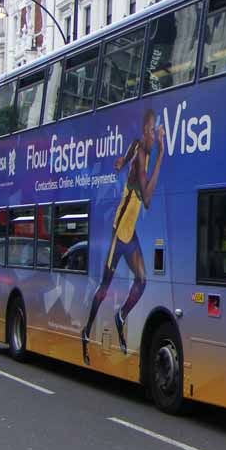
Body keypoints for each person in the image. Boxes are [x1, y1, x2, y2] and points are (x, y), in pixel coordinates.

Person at [81, 109, 165, 366]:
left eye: (154, 130)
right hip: (121, 231)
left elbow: (130, 147)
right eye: (151, 131)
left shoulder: (138, 147)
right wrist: (162, 153)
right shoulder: (144, 154)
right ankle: (86, 332)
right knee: (104, 287)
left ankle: (121, 316)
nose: (153, 135)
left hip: (131, 232)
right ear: (145, 132)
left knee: (142, 280)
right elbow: (147, 199)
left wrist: (121, 161)